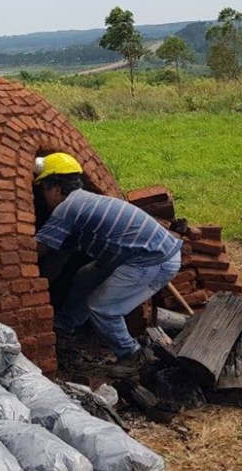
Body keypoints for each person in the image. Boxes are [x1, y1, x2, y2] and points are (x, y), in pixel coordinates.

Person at [33, 152, 182, 376]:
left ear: (55, 189)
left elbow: (38, 248)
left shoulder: (67, 208)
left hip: (153, 260)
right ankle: (66, 324)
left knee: (102, 306)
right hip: (135, 255)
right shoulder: (84, 200)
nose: (44, 196)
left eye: (44, 189)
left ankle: (131, 354)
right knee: (85, 276)